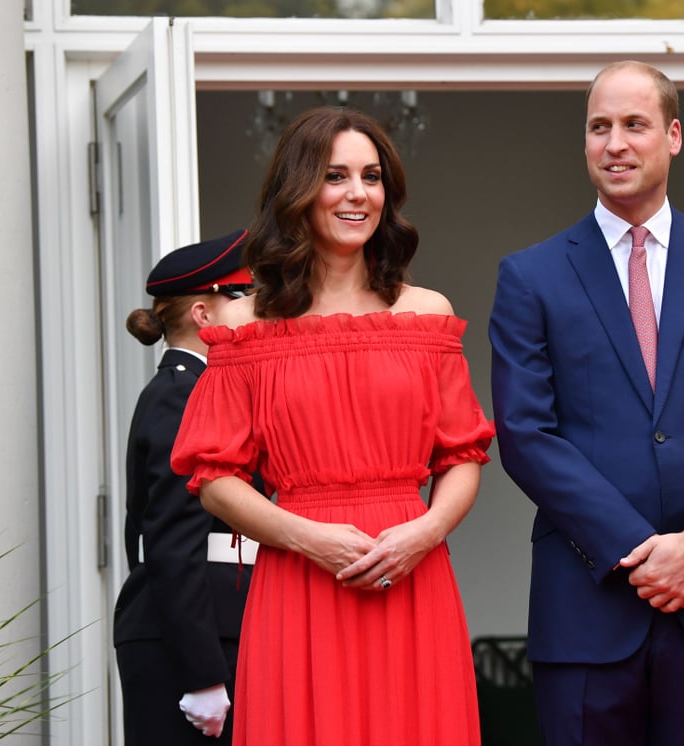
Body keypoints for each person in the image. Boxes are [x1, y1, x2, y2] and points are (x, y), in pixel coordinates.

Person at [488, 60, 684, 745]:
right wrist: (641, 550)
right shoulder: (530, 278)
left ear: (674, 135)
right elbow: (525, 433)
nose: (615, 143)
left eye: (635, 124)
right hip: (586, 606)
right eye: (599, 127)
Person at [170, 106, 495, 746]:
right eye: (335, 175)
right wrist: (309, 539)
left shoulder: (427, 313)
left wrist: (425, 532)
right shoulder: (242, 325)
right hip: (298, 578)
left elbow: (462, 455)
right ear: (298, 191)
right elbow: (214, 477)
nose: (357, 194)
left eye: (371, 177)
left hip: (413, 573)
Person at [113, 229, 260, 744]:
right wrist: (202, 673)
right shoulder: (182, 396)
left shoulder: (194, 390)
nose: (256, 307)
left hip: (207, 625)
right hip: (194, 640)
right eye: (242, 295)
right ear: (204, 314)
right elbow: (176, 541)